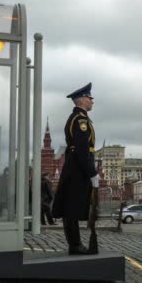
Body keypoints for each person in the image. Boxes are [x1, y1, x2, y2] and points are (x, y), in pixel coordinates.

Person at [52, 82, 100, 255]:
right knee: (71, 208)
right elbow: (82, 149)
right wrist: (92, 172)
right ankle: (75, 245)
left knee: (70, 207)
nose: (92, 101)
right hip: (77, 169)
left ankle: (75, 244)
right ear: (81, 100)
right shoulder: (80, 120)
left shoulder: (80, 118)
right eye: (90, 98)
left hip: (75, 167)